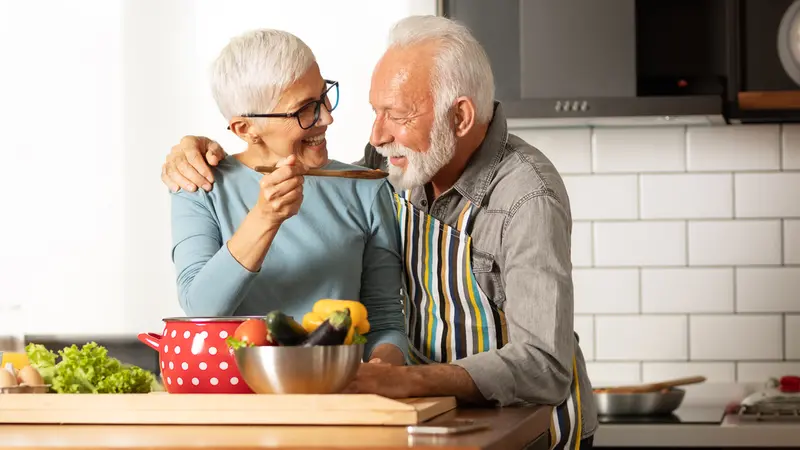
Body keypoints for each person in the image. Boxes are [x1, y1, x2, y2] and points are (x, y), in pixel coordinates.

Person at [161, 16, 597, 449]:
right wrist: (193, 149)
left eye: (397, 114)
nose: (374, 135)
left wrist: (400, 379)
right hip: (433, 420)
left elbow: (544, 365)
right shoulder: (389, 163)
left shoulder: (526, 195)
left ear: (459, 116)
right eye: (375, 111)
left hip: (531, 427)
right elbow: (203, 300)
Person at [167, 28, 408, 366]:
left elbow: (384, 321)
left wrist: (383, 370)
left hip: (338, 394)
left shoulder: (365, 188)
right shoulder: (199, 185)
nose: (327, 116)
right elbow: (202, 308)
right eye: (305, 109)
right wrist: (265, 218)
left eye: (323, 96)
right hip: (234, 399)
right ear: (245, 129)